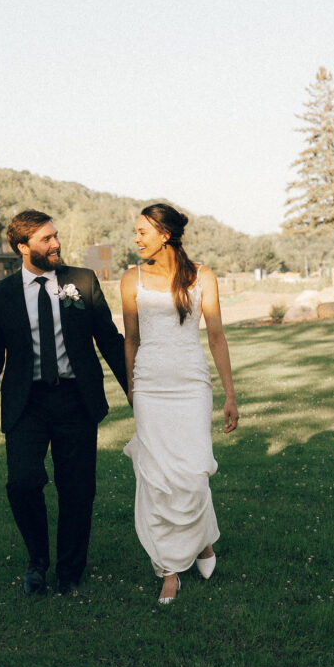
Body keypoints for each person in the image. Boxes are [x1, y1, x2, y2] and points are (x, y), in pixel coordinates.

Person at [0, 210, 128, 596]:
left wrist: (136, 392)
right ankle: (37, 561)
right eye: (46, 239)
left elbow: (109, 340)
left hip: (76, 398)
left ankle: (69, 571)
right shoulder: (0, 294)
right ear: (23, 247)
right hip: (26, 403)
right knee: (22, 482)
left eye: (55, 236)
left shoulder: (82, 281)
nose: (56, 244)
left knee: (77, 488)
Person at [121, 203, 239, 605]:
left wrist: (230, 394)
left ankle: (202, 540)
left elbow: (216, 336)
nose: (136, 238)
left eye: (142, 231)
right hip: (150, 387)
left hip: (191, 385)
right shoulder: (131, 279)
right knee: (157, 477)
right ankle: (169, 570)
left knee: (192, 472)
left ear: (164, 234)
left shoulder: (202, 276)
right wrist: (132, 389)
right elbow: (131, 339)